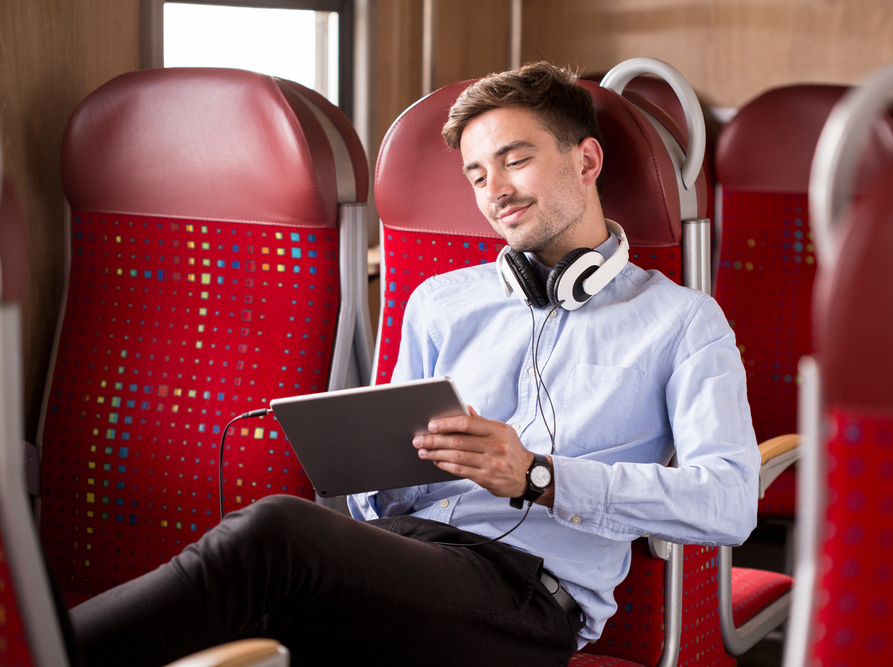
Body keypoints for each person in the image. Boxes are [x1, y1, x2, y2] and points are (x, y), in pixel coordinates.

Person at [71, 62, 759, 667]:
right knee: (240, 614)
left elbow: (729, 504)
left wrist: (540, 477)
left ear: (586, 161)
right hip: (404, 559)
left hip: (528, 596)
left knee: (271, 536)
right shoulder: (441, 303)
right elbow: (380, 505)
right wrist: (378, 463)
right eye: (478, 174)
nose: (496, 191)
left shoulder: (683, 322)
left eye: (515, 160)